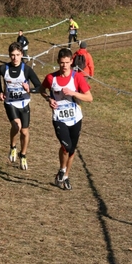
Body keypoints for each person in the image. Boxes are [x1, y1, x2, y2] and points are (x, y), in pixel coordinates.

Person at [40, 48, 93, 190]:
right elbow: (41, 89)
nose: (64, 65)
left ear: (71, 62)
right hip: (59, 118)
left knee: (72, 150)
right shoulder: (51, 78)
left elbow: (89, 98)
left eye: (67, 62)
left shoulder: (77, 78)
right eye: (62, 63)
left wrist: (73, 93)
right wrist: (49, 99)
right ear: (58, 62)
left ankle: (65, 176)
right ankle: (62, 169)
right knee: (66, 147)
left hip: (75, 118)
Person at [0, 42, 41, 170]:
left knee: (25, 132)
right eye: (12, 55)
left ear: (22, 55)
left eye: (17, 55)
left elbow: (40, 87)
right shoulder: (4, 69)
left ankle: (23, 154)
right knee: (16, 125)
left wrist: (29, 89)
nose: (15, 58)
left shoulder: (26, 70)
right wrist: (0, 91)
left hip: (24, 103)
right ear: (9, 55)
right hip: (10, 103)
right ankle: (13, 147)